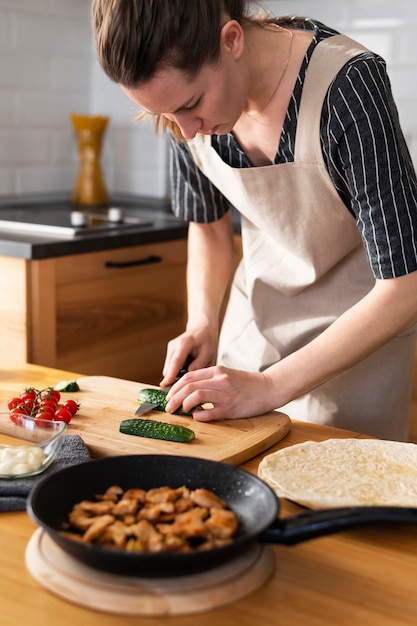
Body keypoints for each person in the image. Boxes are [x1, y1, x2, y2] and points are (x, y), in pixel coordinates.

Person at [92, 0, 417, 440]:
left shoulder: (346, 88)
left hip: (356, 344)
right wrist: (202, 322)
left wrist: (271, 386)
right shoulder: (180, 109)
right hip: (253, 331)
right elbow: (208, 227)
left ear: (231, 40)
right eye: (163, 115)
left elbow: (406, 284)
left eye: (191, 104)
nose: (185, 131)